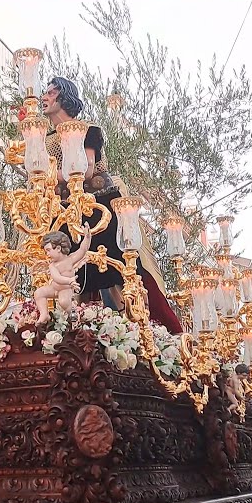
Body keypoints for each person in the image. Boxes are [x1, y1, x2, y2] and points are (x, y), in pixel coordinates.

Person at [39, 76, 183, 332]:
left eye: (51, 92)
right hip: (61, 209)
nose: (45, 97)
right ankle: (77, 331)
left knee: (124, 264)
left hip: (99, 204)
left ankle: (159, 330)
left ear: (64, 97)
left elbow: (85, 168)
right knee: (68, 270)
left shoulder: (87, 130)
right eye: (45, 92)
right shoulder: (44, 140)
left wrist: (49, 176)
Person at [33, 228, 92, 323]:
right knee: (39, 293)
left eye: (48, 250)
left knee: (63, 302)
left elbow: (82, 249)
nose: (47, 254)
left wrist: (87, 237)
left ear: (58, 248)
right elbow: (57, 278)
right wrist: (69, 280)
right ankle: (44, 314)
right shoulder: (52, 265)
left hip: (65, 289)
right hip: (54, 288)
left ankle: (74, 316)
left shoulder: (70, 259)